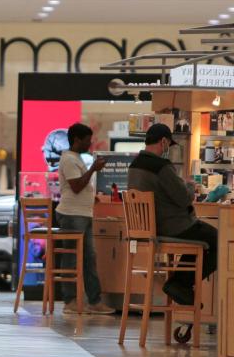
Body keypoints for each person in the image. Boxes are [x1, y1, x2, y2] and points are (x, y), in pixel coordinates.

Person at [127, 123, 218, 306]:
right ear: (163, 141)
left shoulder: (134, 165)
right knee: (218, 239)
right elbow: (184, 198)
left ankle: (180, 283)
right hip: (173, 227)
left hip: (150, 229)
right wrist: (191, 185)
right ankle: (180, 284)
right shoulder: (161, 166)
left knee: (204, 239)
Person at [56, 123, 115, 315]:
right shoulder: (69, 160)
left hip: (82, 213)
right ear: (76, 140)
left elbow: (79, 187)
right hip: (72, 215)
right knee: (71, 258)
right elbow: (75, 186)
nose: (90, 144)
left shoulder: (76, 158)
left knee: (89, 258)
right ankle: (70, 300)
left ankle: (94, 300)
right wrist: (93, 170)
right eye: (87, 141)